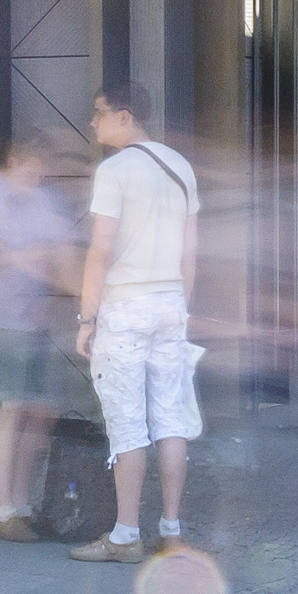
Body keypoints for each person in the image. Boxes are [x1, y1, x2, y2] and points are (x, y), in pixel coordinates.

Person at [68, 88, 202, 558]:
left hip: (126, 306)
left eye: (99, 112)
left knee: (127, 425)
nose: (92, 122)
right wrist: (179, 308)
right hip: (170, 304)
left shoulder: (116, 170)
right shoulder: (180, 166)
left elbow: (100, 250)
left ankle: (125, 534)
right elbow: (190, 253)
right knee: (170, 419)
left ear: (125, 116)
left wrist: (87, 319)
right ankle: (171, 529)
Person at [0, 132, 76, 536]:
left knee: (39, 414)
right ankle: (5, 509)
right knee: (8, 411)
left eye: (44, 167)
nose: (39, 174)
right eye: (33, 165)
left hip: (35, 321)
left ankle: (23, 503)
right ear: (14, 159)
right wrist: (9, 257)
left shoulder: (47, 201)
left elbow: (63, 261)